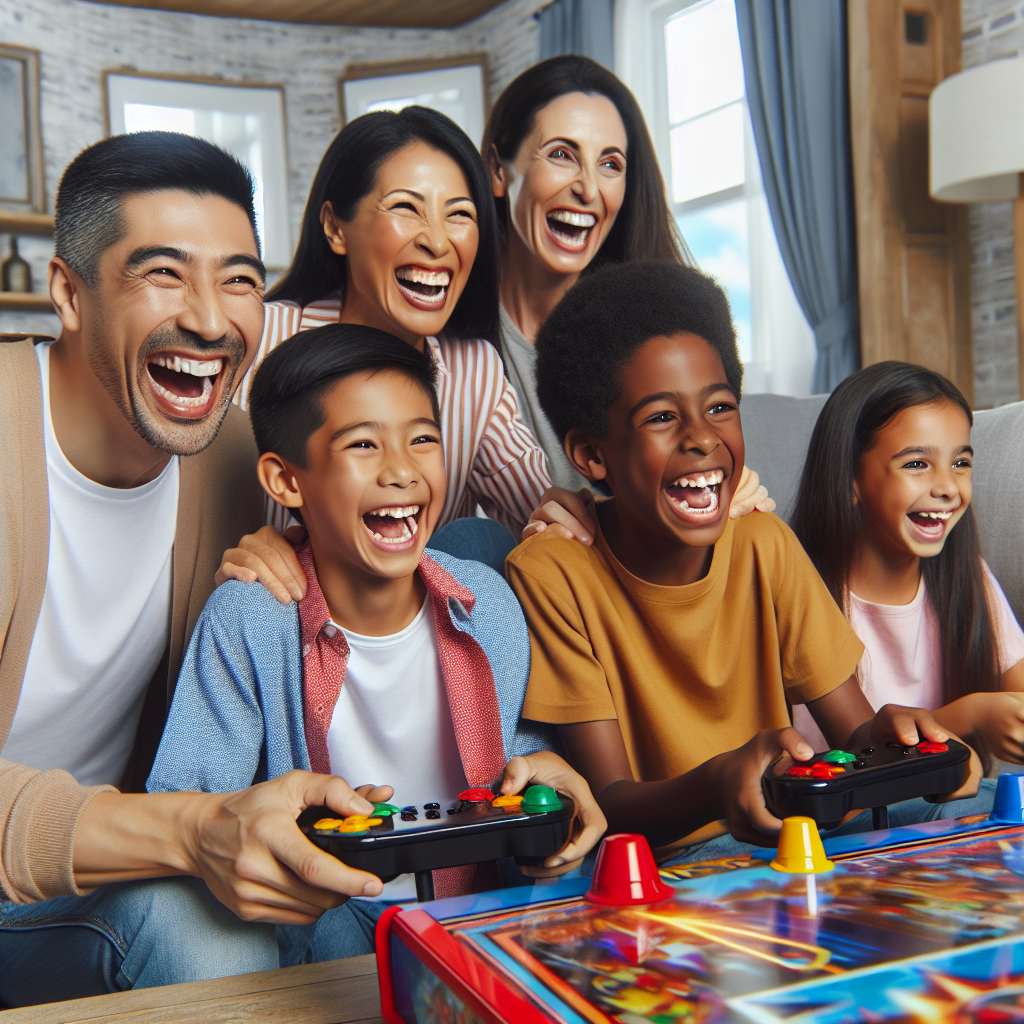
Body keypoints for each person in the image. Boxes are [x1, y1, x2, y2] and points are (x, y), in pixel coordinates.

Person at [0, 133, 410, 1007]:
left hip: (116, 862)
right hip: (57, 883)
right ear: (69, 294)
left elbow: (398, 551)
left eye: (239, 279)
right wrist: (190, 830)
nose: (213, 320)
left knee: (344, 913)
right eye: (162, 273)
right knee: (195, 924)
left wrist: (570, 520)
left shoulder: (234, 458)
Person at [147, 324, 605, 963]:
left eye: (423, 439)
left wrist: (547, 786)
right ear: (285, 482)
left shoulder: (488, 602)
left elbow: (523, 760)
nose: (402, 469)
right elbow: (190, 811)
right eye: (363, 443)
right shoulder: (248, 619)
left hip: (472, 907)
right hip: (328, 913)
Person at [505, 260, 986, 865]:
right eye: (661, 417)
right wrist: (719, 782)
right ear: (590, 454)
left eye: (720, 407)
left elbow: (853, 738)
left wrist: (893, 743)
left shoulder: (763, 543)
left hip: (798, 834)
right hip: (672, 860)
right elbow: (611, 804)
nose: (702, 437)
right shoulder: (554, 572)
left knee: (973, 802)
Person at [217, 105, 769, 598]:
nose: (438, 240)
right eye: (407, 208)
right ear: (336, 227)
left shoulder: (472, 370)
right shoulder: (263, 336)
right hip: (276, 607)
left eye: (459, 214)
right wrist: (244, 549)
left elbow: (549, 503)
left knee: (476, 541)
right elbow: (191, 493)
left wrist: (700, 486)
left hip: (412, 638)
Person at [789, 361, 1024, 762]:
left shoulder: (970, 579)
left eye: (960, 463)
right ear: (850, 480)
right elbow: (844, 764)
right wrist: (967, 716)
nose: (948, 487)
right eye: (917, 464)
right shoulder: (803, 599)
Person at [485, 55, 689, 491]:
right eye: (562, 154)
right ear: (497, 171)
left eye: (610, 164)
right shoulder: (448, 335)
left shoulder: (651, 333)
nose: (589, 189)